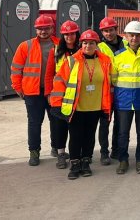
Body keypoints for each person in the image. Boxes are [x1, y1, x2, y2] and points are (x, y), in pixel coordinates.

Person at [50, 30, 113, 180]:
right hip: (76, 107)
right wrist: (57, 104)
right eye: (85, 43)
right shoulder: (72, 61)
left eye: (91, 43)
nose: (88, 46)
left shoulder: (105, 61)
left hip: (95, 106)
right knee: (76, 136)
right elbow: (59, 83)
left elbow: (109, 84)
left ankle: (86, 162)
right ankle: (75, 164)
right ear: (81, 44)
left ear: (97, 45)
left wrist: (107, 106)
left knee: (89, 137)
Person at [10, 15, 59, 166]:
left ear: (52, 28)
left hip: (54, 91)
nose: (43, 31)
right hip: (33, 92)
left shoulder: (60, 44)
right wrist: (18, 87)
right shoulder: (26, 46)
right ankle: (34, 151)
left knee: (56, 121)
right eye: (40, 28)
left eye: (47, 28)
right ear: (36, 29)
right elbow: (16, 69)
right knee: (34, 123)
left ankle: (56, 147)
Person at [112, 20, 140, 175]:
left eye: (137, 35)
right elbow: (113, 79)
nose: (134, 38)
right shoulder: (118, 56)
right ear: (126, 36)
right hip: (124, 101)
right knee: (123, 133)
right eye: (131, 35)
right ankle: (123, 160)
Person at [45, 20, 80, 169]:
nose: (69, 37)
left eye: (71, 33)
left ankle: (76, 155)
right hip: (60, 97)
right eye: (66, 34)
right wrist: (48, 93)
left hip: (78, 97)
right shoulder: (56, 51)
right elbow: (48, 74)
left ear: (76, 34)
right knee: (59, 127)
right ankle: (60, 154)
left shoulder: (83, 49)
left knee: (76, 128)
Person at [97, 17, 125, 165]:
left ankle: (116, 149)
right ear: (102, 32)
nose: (109, 33)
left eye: (111, 30)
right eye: (106, 31)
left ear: (116, 29)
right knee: (105, 123)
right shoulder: (99, 47)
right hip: (106, 91)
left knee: (120, 124)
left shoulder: (126, 43)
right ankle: (104, 153)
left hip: (122, 90)